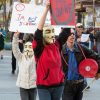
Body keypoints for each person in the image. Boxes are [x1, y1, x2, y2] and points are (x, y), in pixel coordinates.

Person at [32, 0, 71, 100]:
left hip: (58, 85)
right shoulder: (39, 48)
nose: (52, 34)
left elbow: (66, 30)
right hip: (44, 86)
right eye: (48, 32)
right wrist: (46, 9)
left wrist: (67, 10)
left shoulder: (57, 45)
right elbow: (38, 31)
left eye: (53, 32)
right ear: (43, 35)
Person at [61, 31, 100, 100]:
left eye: (73, 34)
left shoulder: (81, 47)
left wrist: (98, 71)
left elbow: (97, 57)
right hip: (67, 84)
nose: (72, 35)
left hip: (80, 83)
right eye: (69, 34)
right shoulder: (61, 50)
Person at [12, 31, 37, 100]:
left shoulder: (36, 58)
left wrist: (37, 36)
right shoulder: (21, 57)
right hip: (23, 86)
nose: (28, 49)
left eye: (30, 47)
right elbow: (15, 50)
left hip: (33, 86)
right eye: (26, 47)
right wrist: (15, 37)